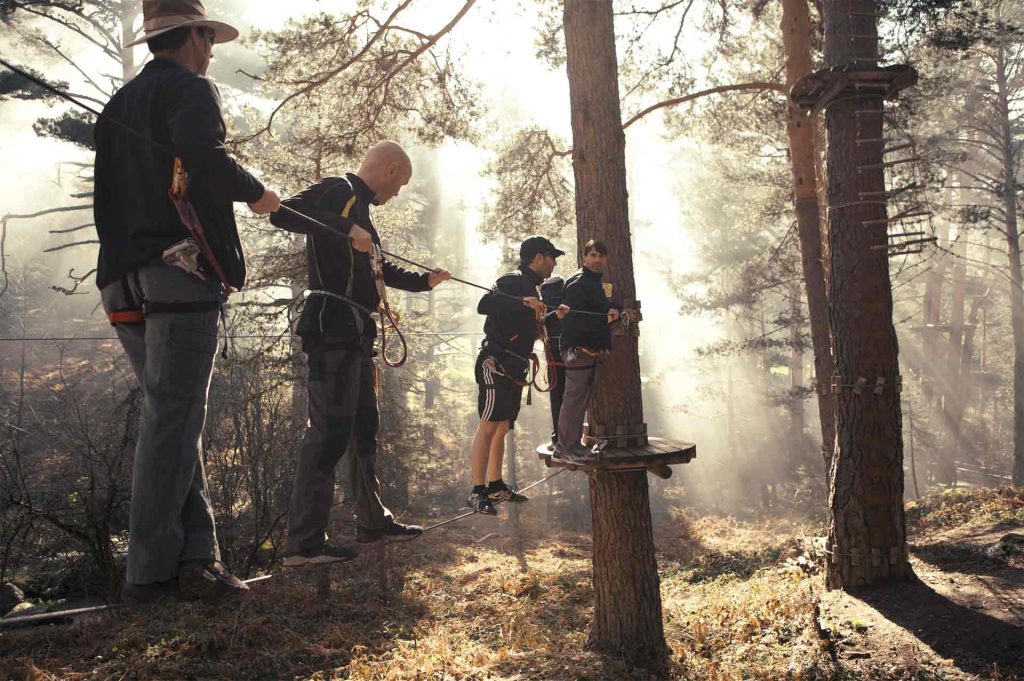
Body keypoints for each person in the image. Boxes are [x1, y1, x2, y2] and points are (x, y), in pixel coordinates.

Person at [94, 0, 282, 604]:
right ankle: (148, 575)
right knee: (172, 418)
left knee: (173, 419)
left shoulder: (117, 105)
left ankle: (197, 559)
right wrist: (257, 194)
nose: (212, 50)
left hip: (121, 281)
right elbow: (205, 159)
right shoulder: (191, 90)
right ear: (193, 36)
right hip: (178, 274)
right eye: (208, 38)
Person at [269, 141, 452, 567]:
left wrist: (424, 281)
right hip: (331, 326)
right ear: (390, 170)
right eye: (401, 184)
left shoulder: (364, 212)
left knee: (363, 428)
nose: (398, 194)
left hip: (356, 334)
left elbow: (378, 269)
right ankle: (304, 543)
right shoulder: (340, 189)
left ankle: (372, 520)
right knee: (329, 432)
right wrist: (345, 227)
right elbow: (283, 212)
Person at [468, 236, 568, 514]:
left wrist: (553, 317)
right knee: (489, 425)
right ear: (538, 258)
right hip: (495, 361)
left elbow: (529, 327)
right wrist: (522, 302)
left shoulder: (533, 290)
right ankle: (477, 492)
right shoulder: (513, 280)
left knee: (502, 427)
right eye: (552, 257)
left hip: (514, 366)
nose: (555, 263)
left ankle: (495, 484)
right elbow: (485, 304)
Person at [552, 239, 621, 464]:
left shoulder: (594, 282)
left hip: (585, 349)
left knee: (579, 399)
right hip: (577, 348)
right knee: (573, 399)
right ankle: (564, 447)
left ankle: (573, 445)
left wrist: (613, 309)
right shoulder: (579, 283)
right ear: (584, 258)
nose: (597, 260)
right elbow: (576, 320)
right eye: (592, 255)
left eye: (601, 256)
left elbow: (600, 307)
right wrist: (606, 319)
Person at [539, 275, 566, 449]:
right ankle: (565, 438)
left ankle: (559, 439)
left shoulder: (543, 306)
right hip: (572, 354)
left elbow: (539, 324)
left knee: (558, 398)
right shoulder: (566, 301)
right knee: (571, 399)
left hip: (554, 358)